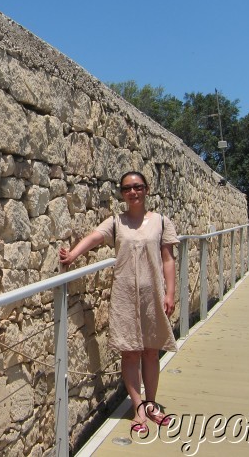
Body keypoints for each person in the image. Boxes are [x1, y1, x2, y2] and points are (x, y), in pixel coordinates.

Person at [59, 171, 179, 433]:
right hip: (124, 294)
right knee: (130, 351)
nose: (133, 192)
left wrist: (170, 293)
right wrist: (73, 255)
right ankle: (137, 407)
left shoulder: (161, 222)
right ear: (121, 193)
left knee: (150, 350)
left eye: (137, 187)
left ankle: (151, 403)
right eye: (127, 188)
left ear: (147, 189)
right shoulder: (116, 222)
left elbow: (168, 258)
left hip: (153, 295)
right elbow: (95, 237)